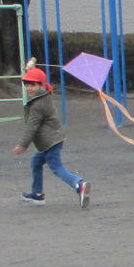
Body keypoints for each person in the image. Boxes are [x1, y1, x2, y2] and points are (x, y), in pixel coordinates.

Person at [13, 65, 88, 207]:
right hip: (52, 139)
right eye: (27, 85)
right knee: (36, 162)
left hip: (50, 141)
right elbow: (41, 80)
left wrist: (22, 145)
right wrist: (31, 69)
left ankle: (79, 184)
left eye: (32, 85)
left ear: (41, 85)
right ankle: (38, 195)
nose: (29, 88)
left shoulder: (37, 105)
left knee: (56, 167)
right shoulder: (45, 93)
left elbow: (31, 126)